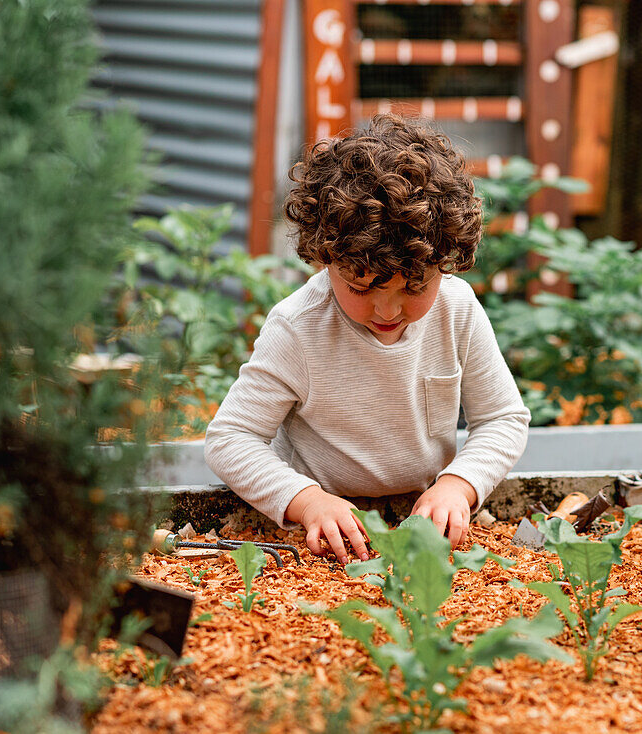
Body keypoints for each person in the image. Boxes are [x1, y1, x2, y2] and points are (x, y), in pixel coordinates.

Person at [204, 114, 530, 565]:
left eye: (414, 288)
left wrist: (459, 484)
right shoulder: (299, 327)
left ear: (444, 263)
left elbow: (502, 419)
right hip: (325, 535)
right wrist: (307, 501)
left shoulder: (457, 310)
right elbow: (231, 438)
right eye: (361, 288)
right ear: (324, 258)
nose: (388, 311)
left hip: (427, 523)